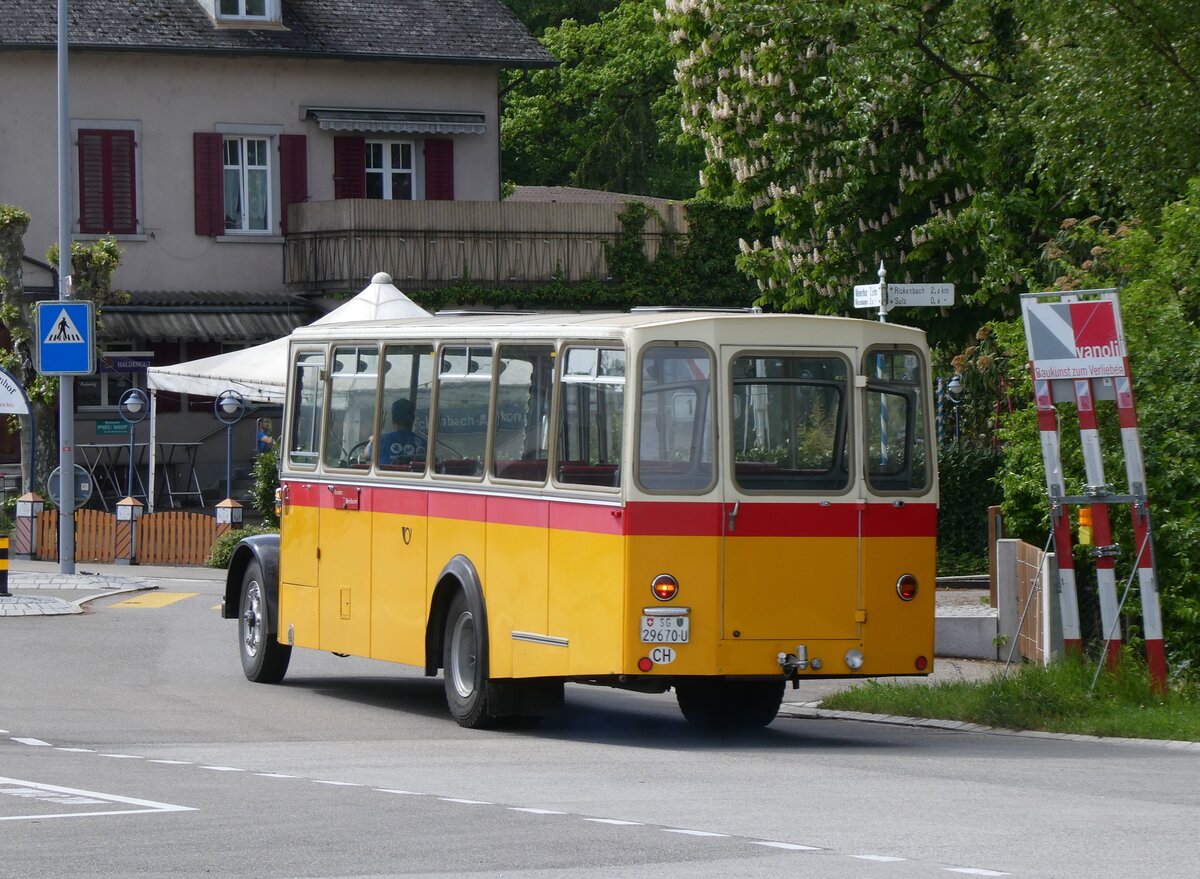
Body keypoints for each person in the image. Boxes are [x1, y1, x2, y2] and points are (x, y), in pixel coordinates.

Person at [376, 398, 426, 464]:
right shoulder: (423, 443)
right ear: (413, 419)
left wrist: (373, 439)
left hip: (387, 474)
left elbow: (366, 455)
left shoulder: (381, 440)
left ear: (393, 420)